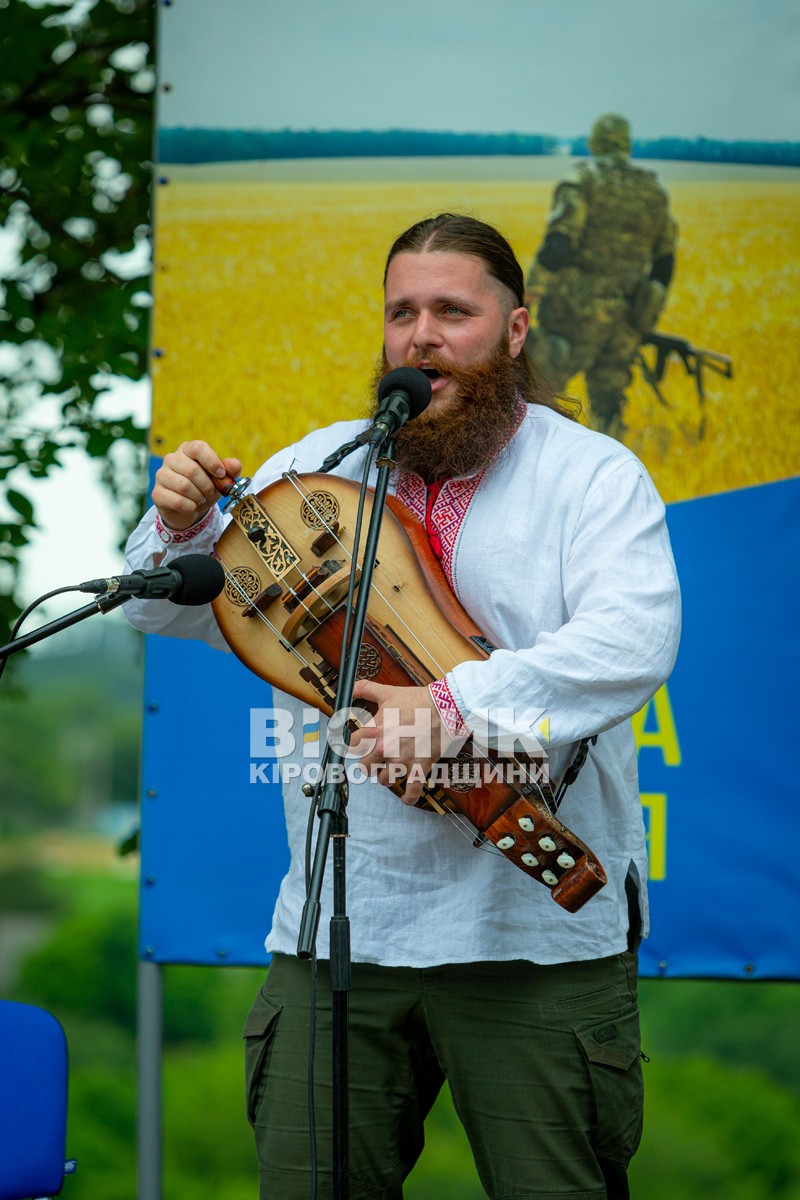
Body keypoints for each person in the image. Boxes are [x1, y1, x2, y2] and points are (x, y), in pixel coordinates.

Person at [123, 213, 681, 1199]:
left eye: (451, 311)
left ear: (514, 329)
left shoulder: (589, 476)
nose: (420, 336)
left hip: (531, 939)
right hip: (340, 928)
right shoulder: (320, 467)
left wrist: (449, 702)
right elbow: (192, 618)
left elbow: (628, 642)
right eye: (400, 313)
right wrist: (177, 526)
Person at [526, 113, 678, 440]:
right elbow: (664, 261)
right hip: (626, 318)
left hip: (573, 312)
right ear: (627, 143)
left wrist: (528, 293)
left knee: (542, 391)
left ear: (594, 142)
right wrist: (644, 313)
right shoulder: (654, 190)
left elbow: (561, 241)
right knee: (609, 402)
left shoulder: (583, 180)